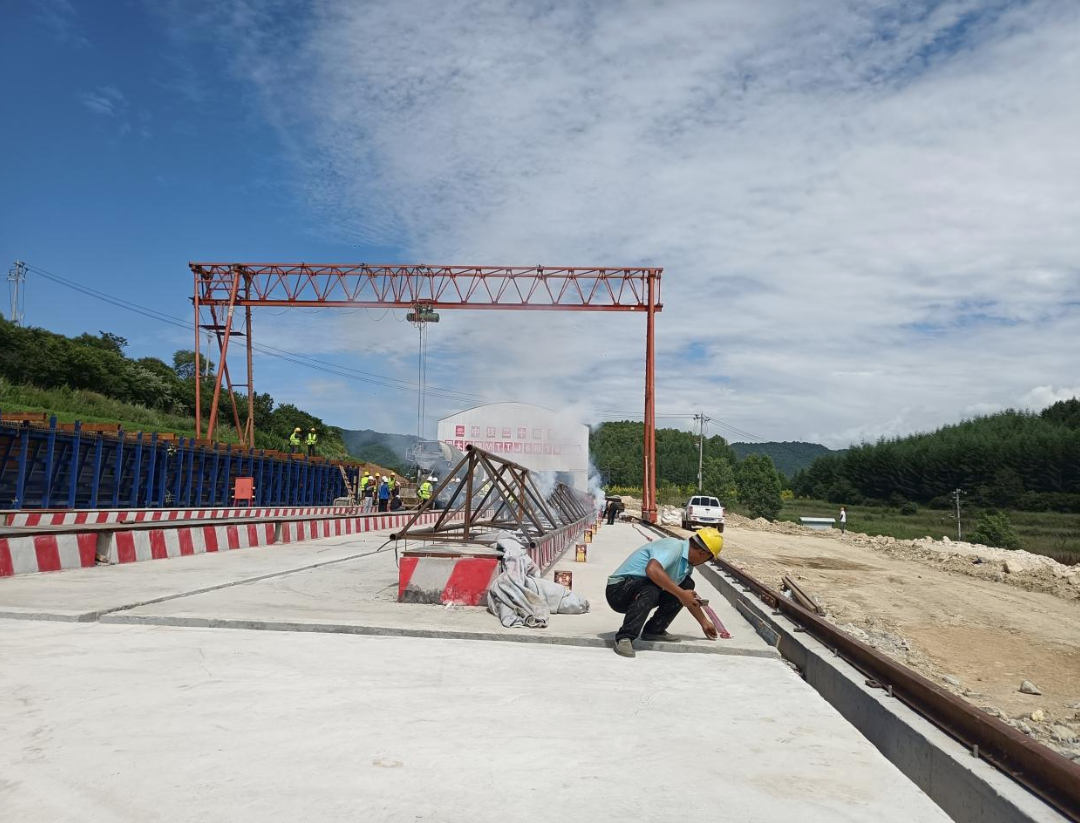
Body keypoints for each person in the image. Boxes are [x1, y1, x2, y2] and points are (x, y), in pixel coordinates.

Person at [606, 527, 724, 658]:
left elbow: (686, 596)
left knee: (686, 584)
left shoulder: (686, 565)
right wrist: (681, 594)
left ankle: (654, 630)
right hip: (619, 590)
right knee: (651, 589)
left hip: (639, 590)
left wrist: (704, 622)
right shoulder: (674, 546)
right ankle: (624, 637)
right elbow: (652, 570)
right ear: (703, 554)